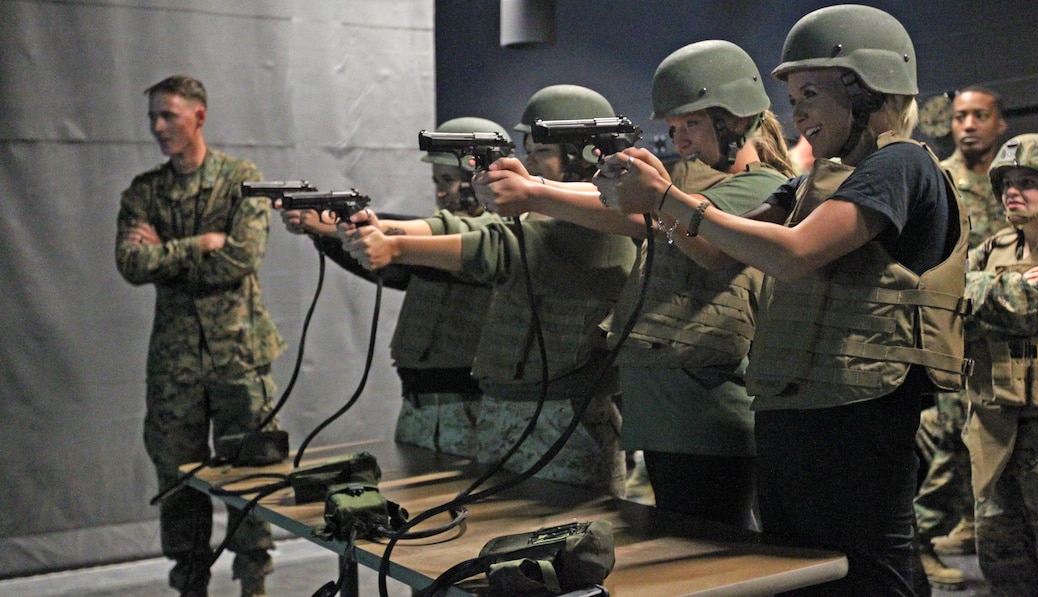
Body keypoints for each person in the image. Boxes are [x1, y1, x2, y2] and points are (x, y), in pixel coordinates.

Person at [595, 4, 970, 595]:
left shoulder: (898, 164)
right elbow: (722, 247)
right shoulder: (819, 179)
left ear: (868, 90)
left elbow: (792, 253)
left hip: (858, 417)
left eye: (811, 95)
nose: (797, 116)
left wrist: (667, 198)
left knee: (868, 575)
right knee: (802, 575)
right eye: (794, 99)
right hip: (797, 411)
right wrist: (657, 197)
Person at [473, 40, 795, 527]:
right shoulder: (691, 189)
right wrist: (536, 190)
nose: (681, 140)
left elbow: (672, 229)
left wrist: (537, 192)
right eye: (674, 127)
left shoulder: (761, 186)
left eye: (692, 124)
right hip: (672, 414)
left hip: (705, 415)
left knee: (715, 561)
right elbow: (621, 201)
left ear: (736, 118)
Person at [341, 85, 637, 497]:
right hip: (514, 406)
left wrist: (395, 245)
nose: (526, 163)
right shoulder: (549, 209)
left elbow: (498, 247)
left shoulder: (604, 215)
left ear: (583, 155)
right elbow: (469, 228)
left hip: (567, 413)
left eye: (538, 153)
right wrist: (388, 230)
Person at [115, 75, 286, 597]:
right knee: (179, 480)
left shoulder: (241, 180)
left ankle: (252, 583)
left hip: (240, 355)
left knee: (251, 477)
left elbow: (241, 259)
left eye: (168, 116)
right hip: (177, 364)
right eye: (152, 118)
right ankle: (191, 585)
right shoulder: (145, 191)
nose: (158, 127)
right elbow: (129, 261)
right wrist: (198, 244)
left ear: (199, 116)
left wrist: (167, 253)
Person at [277, 117, 506, 457]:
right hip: (422, 400)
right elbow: (394, 270)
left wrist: (335, 226)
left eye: (448, 180)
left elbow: (442, 240)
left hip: (469, 401)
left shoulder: (495, 234)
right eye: (436, 181)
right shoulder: (445, 237)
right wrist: (328, 235)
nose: (440, 191)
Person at [962, 134, 1038, 597]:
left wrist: (980, 292)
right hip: (996, 434)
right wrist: (987, 291)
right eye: (1007, 182)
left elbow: (1027, 305)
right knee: (1003, 567)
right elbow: (944, 301)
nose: (1012, 191)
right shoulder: (992, 251)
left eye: (1028, 181)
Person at [915, 85, 1008, 588]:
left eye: (979, 116)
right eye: (959, 117)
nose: (968, 124)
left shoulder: (1012, 182)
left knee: (993, 438)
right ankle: (923, 539)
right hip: (954, 332)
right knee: (952, 438)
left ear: (1001, 123)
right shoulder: (942, 179)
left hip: (1002, 333)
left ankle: (971, 522)